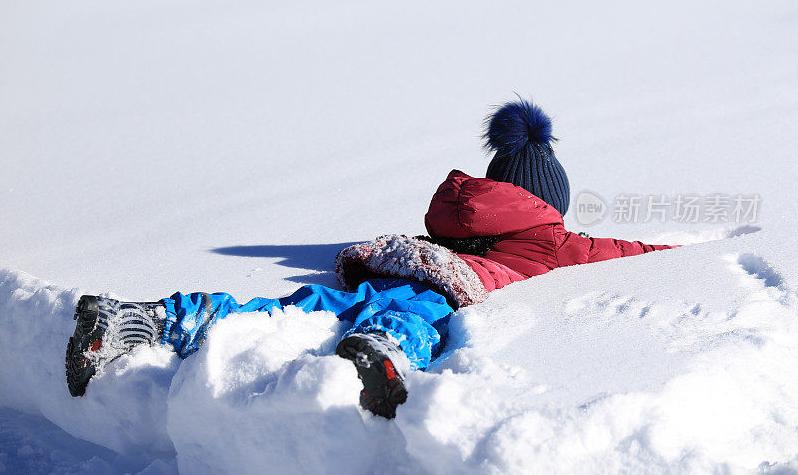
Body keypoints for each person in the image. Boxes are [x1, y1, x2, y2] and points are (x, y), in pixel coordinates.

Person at [66, 97, 677, 418]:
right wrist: (698, 251)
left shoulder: (453, 221)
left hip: (401, 261)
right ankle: (383, 350)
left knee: (294, 308)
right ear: (549, 202)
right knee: (416, 315)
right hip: (443, 284)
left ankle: (143, 319)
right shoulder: (557, 240)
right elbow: (631, 254)